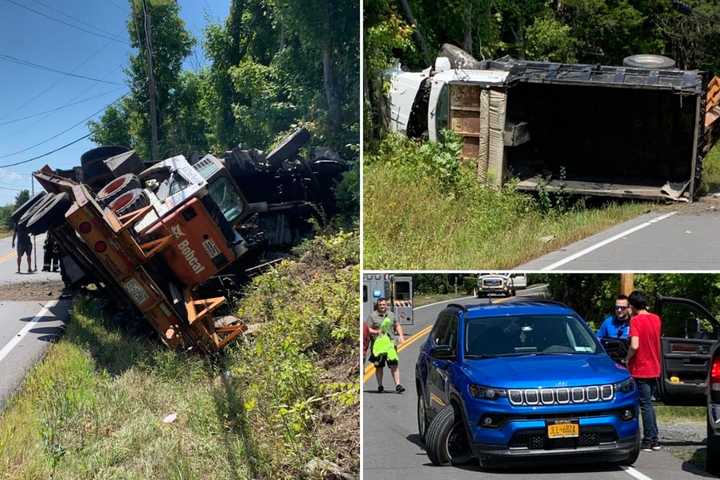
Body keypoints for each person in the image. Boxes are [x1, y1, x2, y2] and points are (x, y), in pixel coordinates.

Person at [624, 290, 662, 452]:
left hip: (640, 368)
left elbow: (635, 345)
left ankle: (648, 440)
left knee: (644, 405)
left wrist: (627, 358)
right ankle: (654, 438)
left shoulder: (636, 321)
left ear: (632, 306)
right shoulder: (656, 319)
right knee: (649, 404)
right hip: (654, 366)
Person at [367, 298, 406, 393]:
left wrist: (401, 336)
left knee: (394, 364)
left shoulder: (391, 315)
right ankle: (380, 385)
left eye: (384, 304)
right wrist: (376, 332)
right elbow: (367, 329)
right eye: (380, 305)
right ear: (378, 305)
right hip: (378, 346)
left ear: (386, 305)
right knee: (379, 366)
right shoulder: (372, 316)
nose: (382, 306)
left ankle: (398, 385)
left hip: (390, 345)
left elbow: (397, 325)